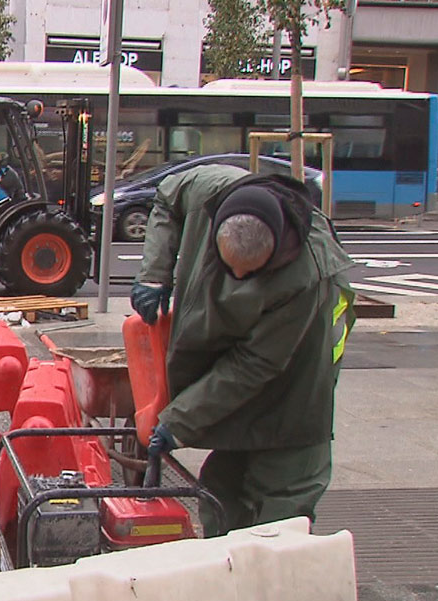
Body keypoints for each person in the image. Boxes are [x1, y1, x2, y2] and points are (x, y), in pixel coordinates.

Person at [132, 164, 355, 536]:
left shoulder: (308, 275)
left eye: (249, 275)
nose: (237, 280)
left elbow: (255, 364)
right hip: (243, 362)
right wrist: (155, 273)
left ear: (277, 251)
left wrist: (181, 419)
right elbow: (168, 197)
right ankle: (224, 568)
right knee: (222, 492)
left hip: (297, 381)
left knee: (280, 509)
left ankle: (271, 582)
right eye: (227, 268)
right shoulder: (210, 190)